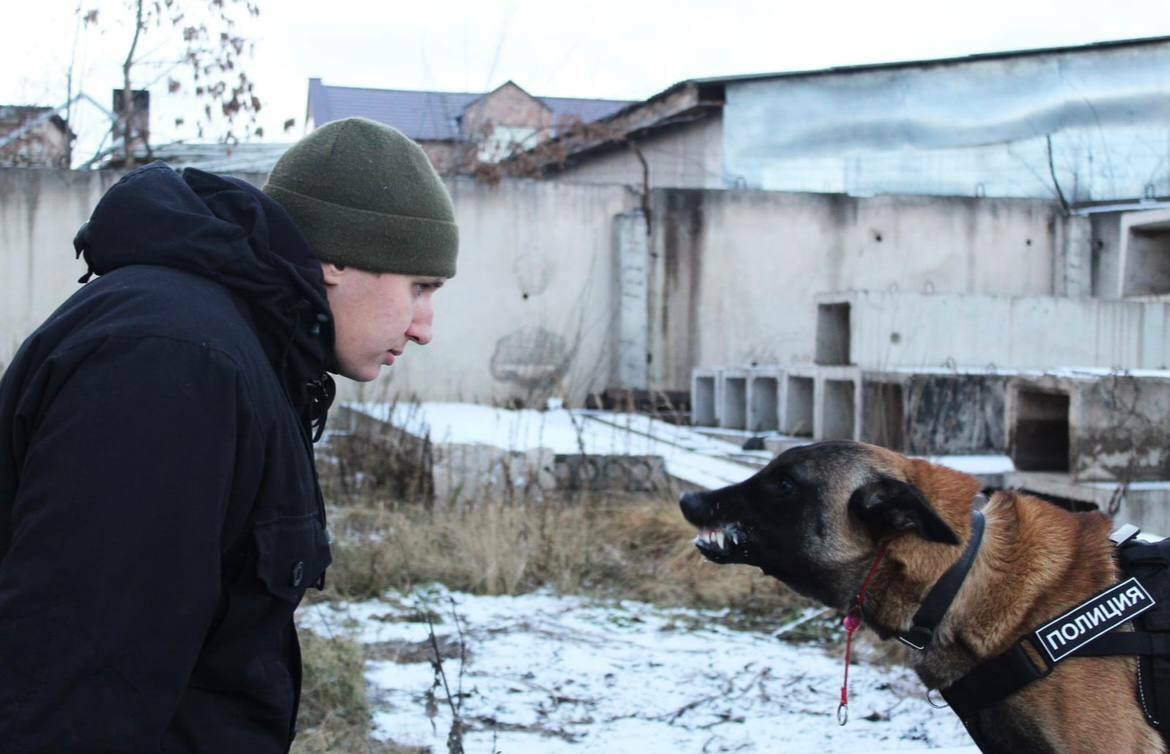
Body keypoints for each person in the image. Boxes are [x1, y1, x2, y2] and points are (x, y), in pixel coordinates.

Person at [0, 117, 458, 753]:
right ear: (337, 258)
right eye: (420, 287)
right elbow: (80, 687)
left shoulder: (239, 350)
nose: (424, 326)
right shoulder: (174, 362)